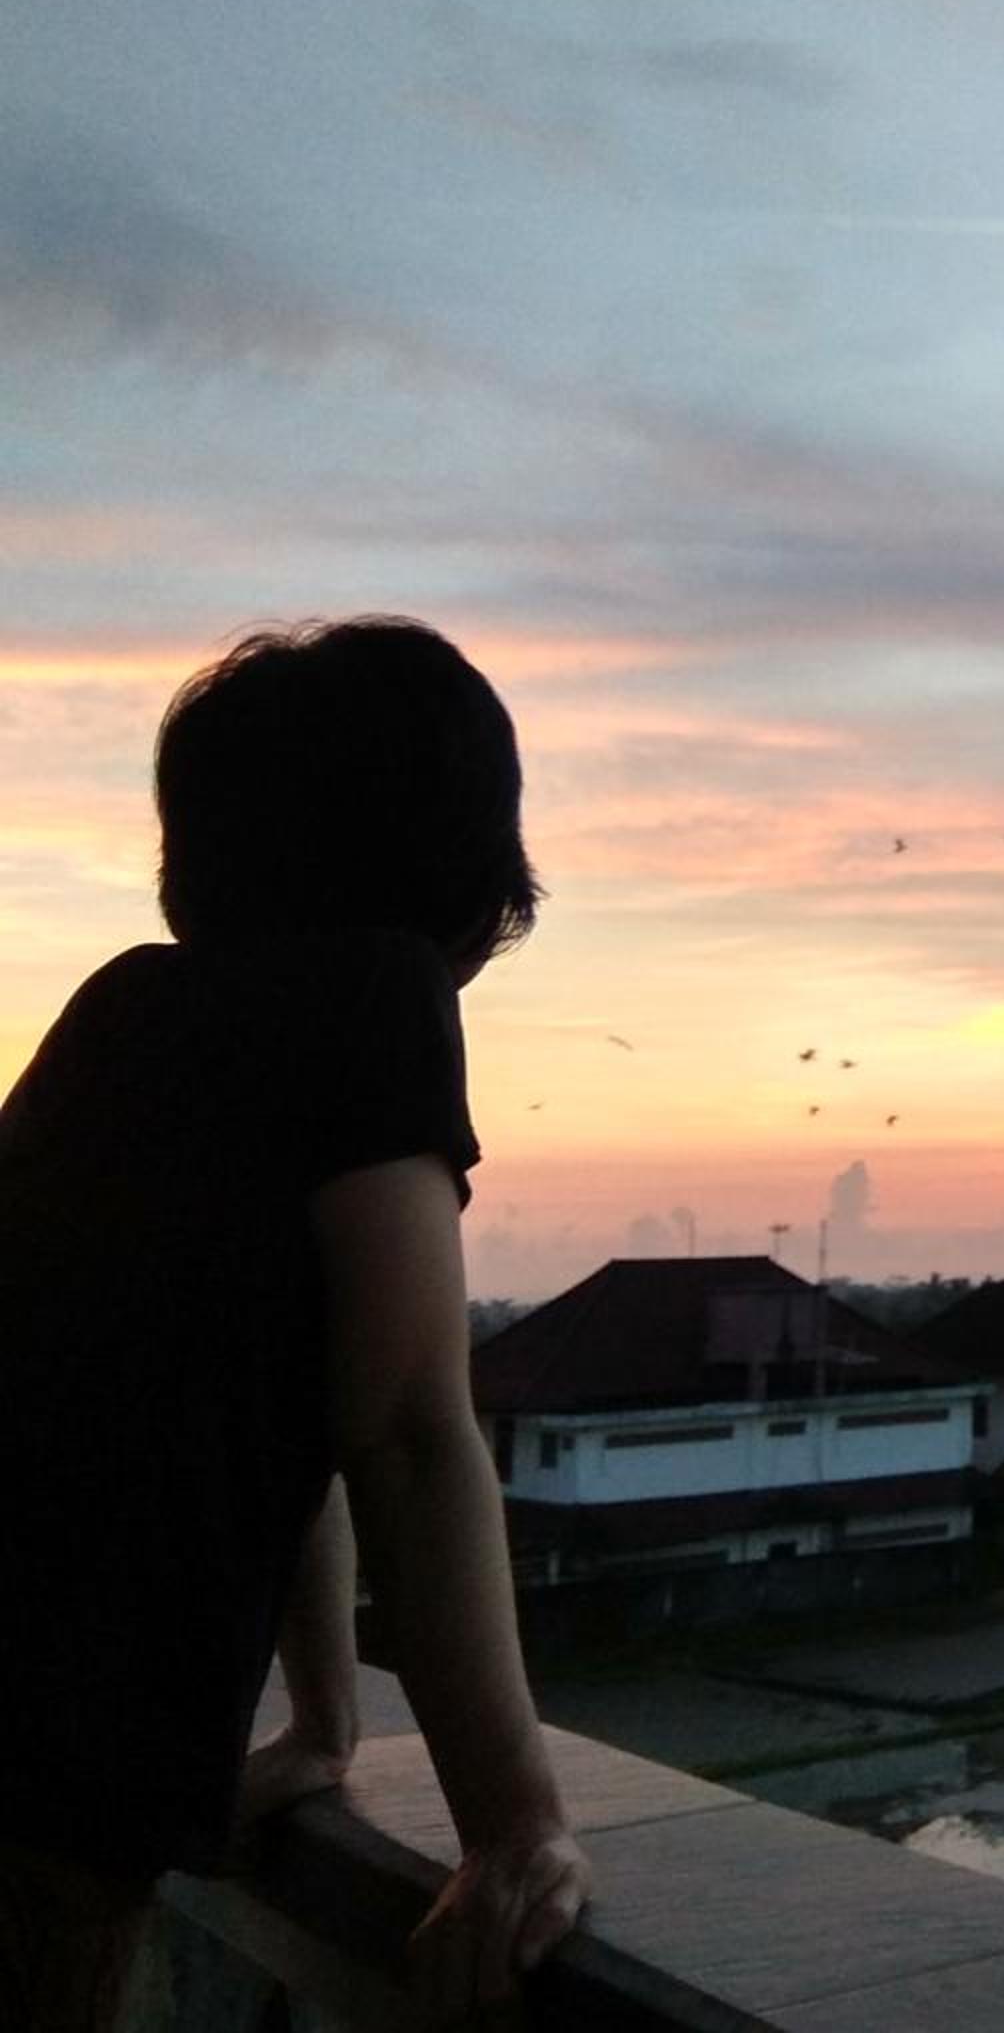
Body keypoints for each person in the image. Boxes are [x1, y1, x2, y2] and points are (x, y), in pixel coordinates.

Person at [0, 618, 589, 2028]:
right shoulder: (376, 996)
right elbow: (405, 1427)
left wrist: (324, 1723)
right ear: (465, 878)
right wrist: (515, 1826)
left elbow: (295, 1389)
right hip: (44, 1766)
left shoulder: (124, 1012)